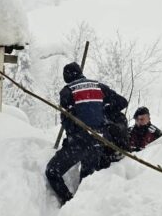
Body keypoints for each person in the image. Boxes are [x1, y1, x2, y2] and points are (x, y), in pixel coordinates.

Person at [45, 62, 128, 206]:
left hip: (81, 142)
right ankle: (83, 211)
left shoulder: (67, 91)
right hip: (100, 140)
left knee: (52, 171)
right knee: (86, 183)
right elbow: (122, 102)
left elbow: (68, 122)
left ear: (66, 76)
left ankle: (68, 203)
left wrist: (71, 140)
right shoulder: (98, 86)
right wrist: (103, 112)